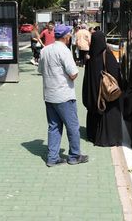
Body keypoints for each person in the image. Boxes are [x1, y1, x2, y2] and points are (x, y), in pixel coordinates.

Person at [38, 24, 88, 167]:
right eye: (69, 35)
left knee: (53, 126)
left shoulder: (45, 50)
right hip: (64, 95)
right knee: (72, 126)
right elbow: (73, 74)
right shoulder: (65, 51)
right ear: (66, 36)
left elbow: (41, 70)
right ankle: (74, 156)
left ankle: (52, 158)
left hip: (49, 95)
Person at [82, 31, 123, 147]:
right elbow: (115, 73)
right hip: (106, 94)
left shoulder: (90, 57)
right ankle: (110, 138)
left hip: (95, 96)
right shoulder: (107, 54)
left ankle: (93, 135)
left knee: (94, 115)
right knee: (111, 112)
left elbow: (87, 79)